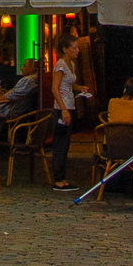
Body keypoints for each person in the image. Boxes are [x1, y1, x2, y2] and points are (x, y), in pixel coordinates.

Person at [50, 34, 82, 189]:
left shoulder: (72, 64)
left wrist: (79, 88)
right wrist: (63, 109)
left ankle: (62, 177)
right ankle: (58, 179)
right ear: (65, 49)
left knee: (66, 142)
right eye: (74, 48)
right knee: (60, 143)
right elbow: (55, 88)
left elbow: (67, 84)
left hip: (70, 106)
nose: (77, 50)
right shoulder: (61, 65)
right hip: (62, 109)